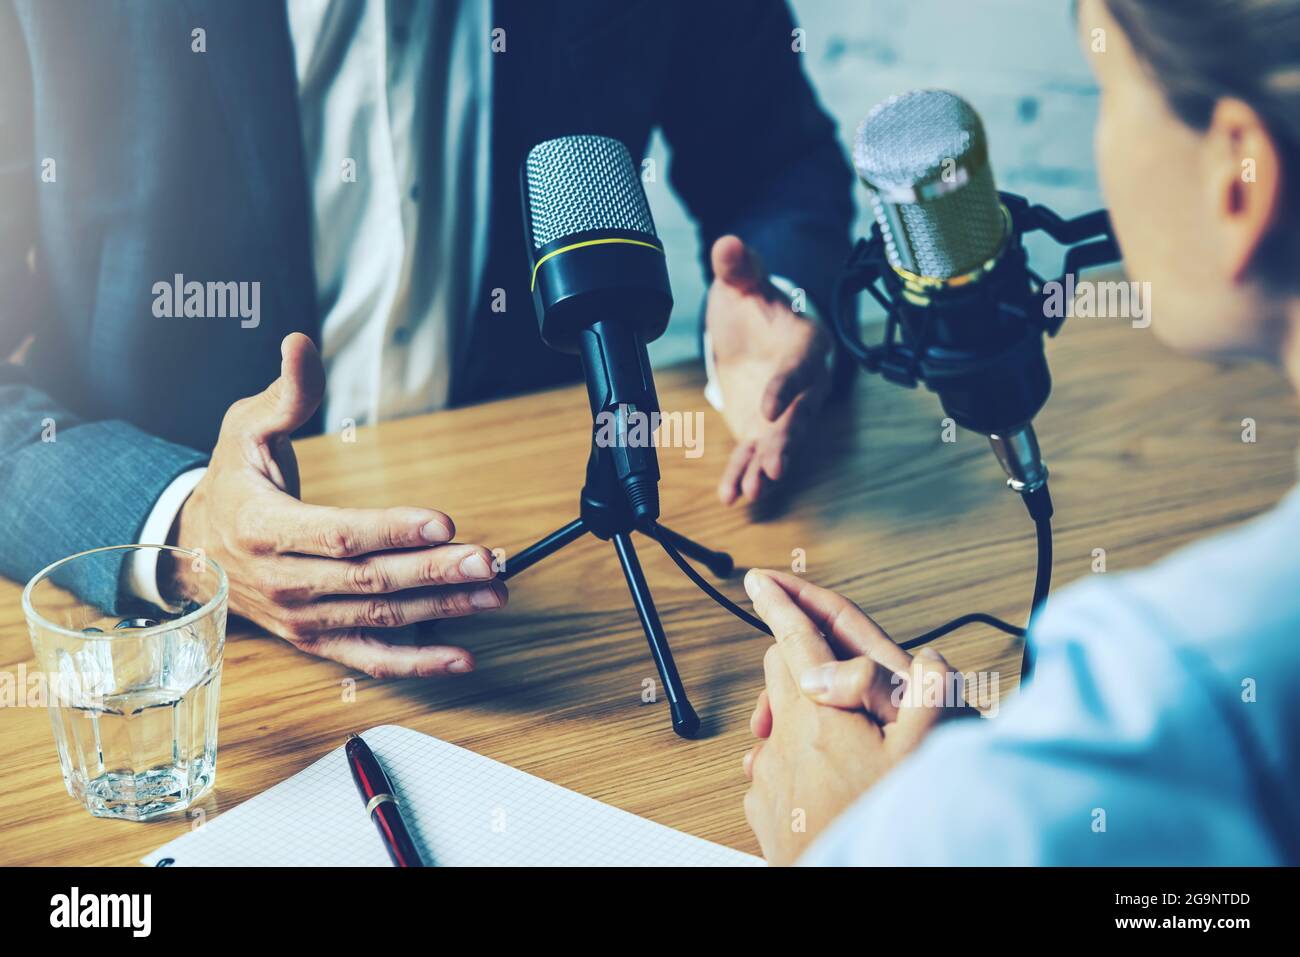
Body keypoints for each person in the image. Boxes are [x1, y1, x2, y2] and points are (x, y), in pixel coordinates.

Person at [0, 1, 853, 678]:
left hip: (535, 598)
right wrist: (186, 529)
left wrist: (780, 300)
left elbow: (778, 165)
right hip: (171, 651)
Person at [740, 0, 1300, 865]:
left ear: (1240, 181)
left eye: (1107, 89)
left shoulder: (1173, 678)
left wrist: (867, 835)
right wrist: (1002, 782)